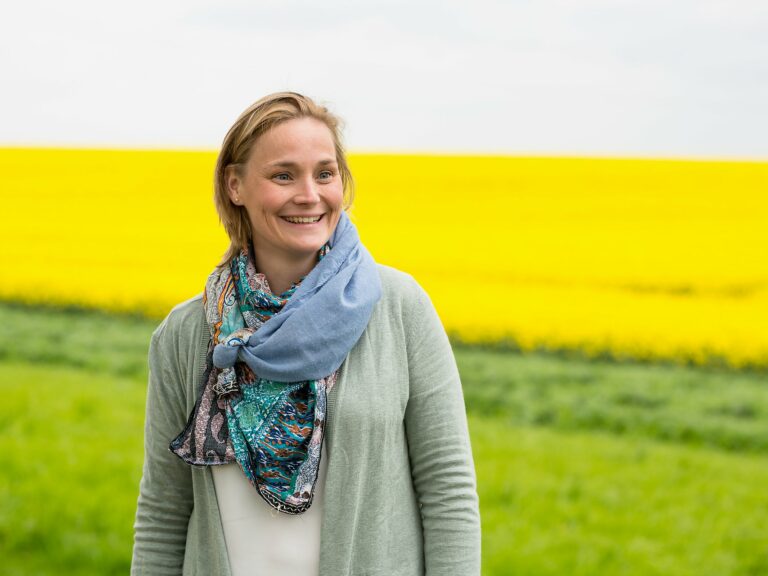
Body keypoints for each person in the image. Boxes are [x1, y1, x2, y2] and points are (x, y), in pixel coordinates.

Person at [131, 92, 481, 575]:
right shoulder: (188, 335)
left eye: (325, 173)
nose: (310, 195)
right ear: (235, 185)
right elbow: (163, 513)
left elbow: (449, 491)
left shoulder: (400, 308)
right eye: (283, 175)